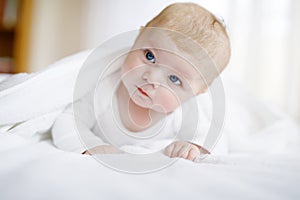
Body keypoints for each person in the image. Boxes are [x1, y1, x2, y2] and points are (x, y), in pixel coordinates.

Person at [51, 2, 231, 161]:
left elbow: (216, 141)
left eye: (174, 79)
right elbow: (68, 121)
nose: (151, 78)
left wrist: (192, 147)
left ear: (197, 92)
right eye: (149, 56)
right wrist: (91, 146)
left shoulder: (187, 111)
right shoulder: (106, 88)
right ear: (138, 37)